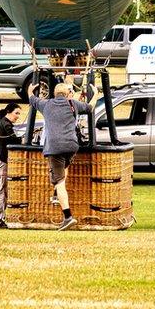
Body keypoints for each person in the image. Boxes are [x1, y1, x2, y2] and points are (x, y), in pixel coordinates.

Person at [27, 80, 91, 231]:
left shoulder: (47, 105)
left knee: (59, 182)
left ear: (54, 94)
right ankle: (59, 189)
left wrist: (31, 90)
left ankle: (67, 216)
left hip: (55, 147)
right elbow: (90, 108)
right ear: (67, 93)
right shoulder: (72, 104)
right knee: (64, 168)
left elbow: (32, 100)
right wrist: (95, 94)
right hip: (71, 146)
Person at [0, 103, 22, 228]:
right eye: (16, 113)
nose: (18, 116)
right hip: (0, 161)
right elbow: (14, 140)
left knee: (2, 190)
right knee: (1, 191)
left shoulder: (3, 122)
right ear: (9, 112)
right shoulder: (6, 124)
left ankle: (1, 218)